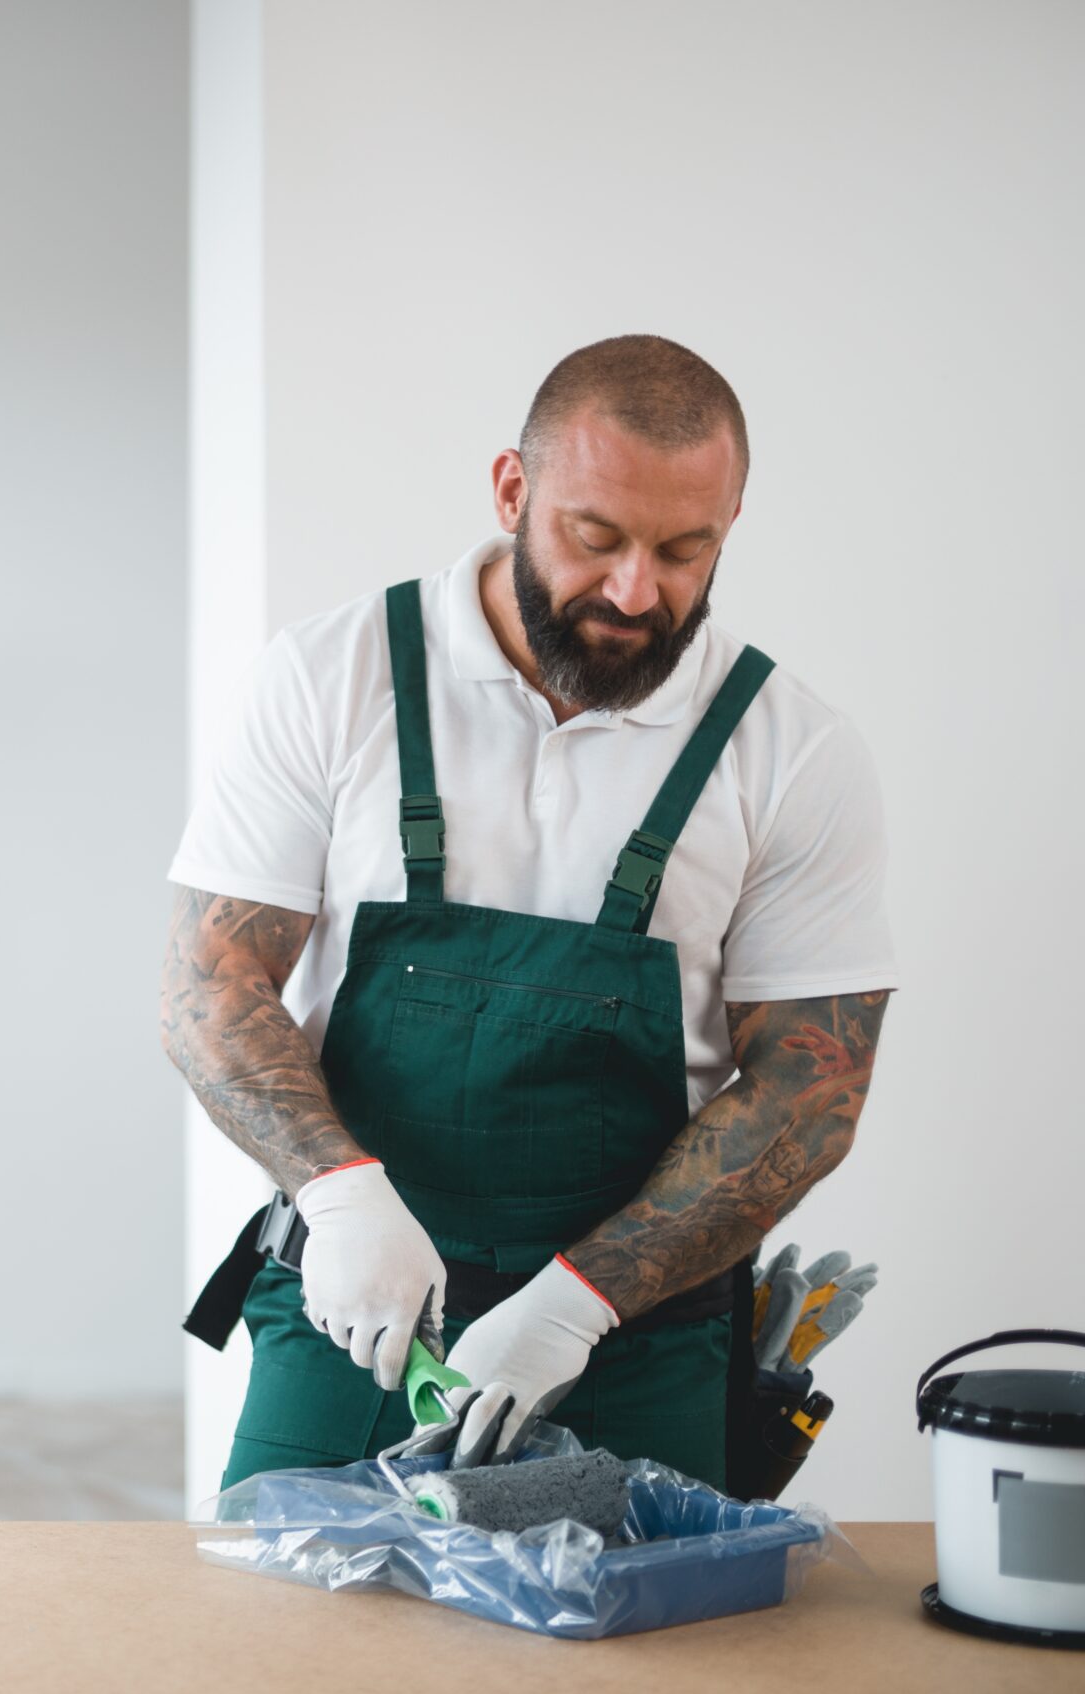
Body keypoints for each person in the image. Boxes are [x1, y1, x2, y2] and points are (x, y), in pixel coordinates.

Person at [162, 335, 897, 1492]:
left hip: (637, 1328)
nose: (633, 591)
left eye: (685, 550)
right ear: (513, 489)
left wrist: (578, 1300)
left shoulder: (792, 751)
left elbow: (814, 1084)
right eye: (594, 537)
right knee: (291, 1645)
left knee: (629, 1667)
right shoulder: (331, 677)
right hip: (355, 1309)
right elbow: (210, 987)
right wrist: (340, 1200)